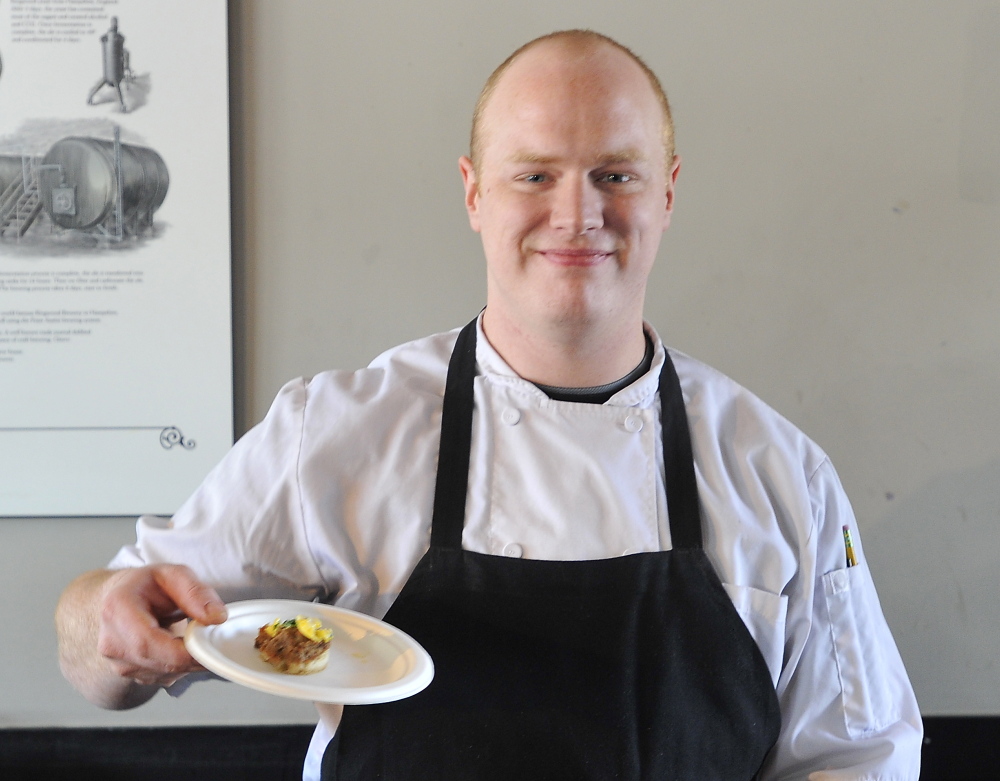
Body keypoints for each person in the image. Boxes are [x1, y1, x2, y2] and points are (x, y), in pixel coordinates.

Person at [56, 29, 922, 780]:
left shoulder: (779, 471)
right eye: (534, 173)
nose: (577, 212)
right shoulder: (340, 431)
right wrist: (109, 623)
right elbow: (99, 650)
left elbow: (857, 752)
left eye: (615, 173)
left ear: (667, 192)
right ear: (473, 191)